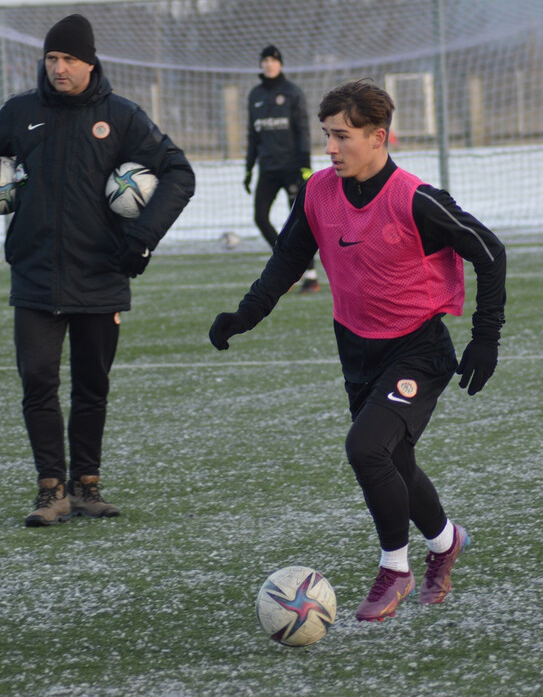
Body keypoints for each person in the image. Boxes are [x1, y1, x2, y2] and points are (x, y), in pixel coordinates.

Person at [211, 80, 506, 621]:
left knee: (366, 449)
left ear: (378, 137)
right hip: (356, 350)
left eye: (341, 136)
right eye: (326, 135)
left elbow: (489, 250)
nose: (329, 148)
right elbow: (286, 260)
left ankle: (395, 568)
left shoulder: (415, 198)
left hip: (418, 349)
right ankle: (445, 545)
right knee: (393, 459)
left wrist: (486, 337)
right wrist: (246, 314)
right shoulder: (318, 192)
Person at [0, 14, 195, 526]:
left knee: (91, 384)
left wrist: (143, 238)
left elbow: (179, 173)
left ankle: (86, 486)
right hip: (35, 274)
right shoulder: (21, 112)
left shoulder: (121, 117)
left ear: (90, 63)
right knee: (37, 380)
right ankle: (50, 490)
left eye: (69, 60)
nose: (59, 68)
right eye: (52, 59)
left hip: (101, 273)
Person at [243, 44, 319, 293]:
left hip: (291, 168)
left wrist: (305, 168)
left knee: (298, 223)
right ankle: (289, 264)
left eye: (273, 60)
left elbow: (303, 132)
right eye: (264, 60)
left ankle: (310, 276)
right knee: (260, 218)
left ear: (281, 64)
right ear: (261, 65)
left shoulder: (293, 93)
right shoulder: (255, 95)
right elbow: (252, 136)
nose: (268, 64)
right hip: (268, 169)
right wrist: (248, 168)